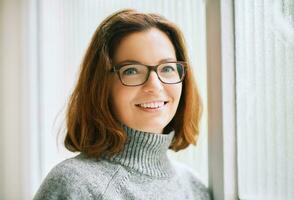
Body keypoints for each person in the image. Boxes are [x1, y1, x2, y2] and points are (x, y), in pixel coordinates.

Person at [34, 8, 211, 200]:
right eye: (132, 70)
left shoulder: (194, 188)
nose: (155, 85)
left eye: (167, 68)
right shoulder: (74, 185)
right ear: (101, 85)